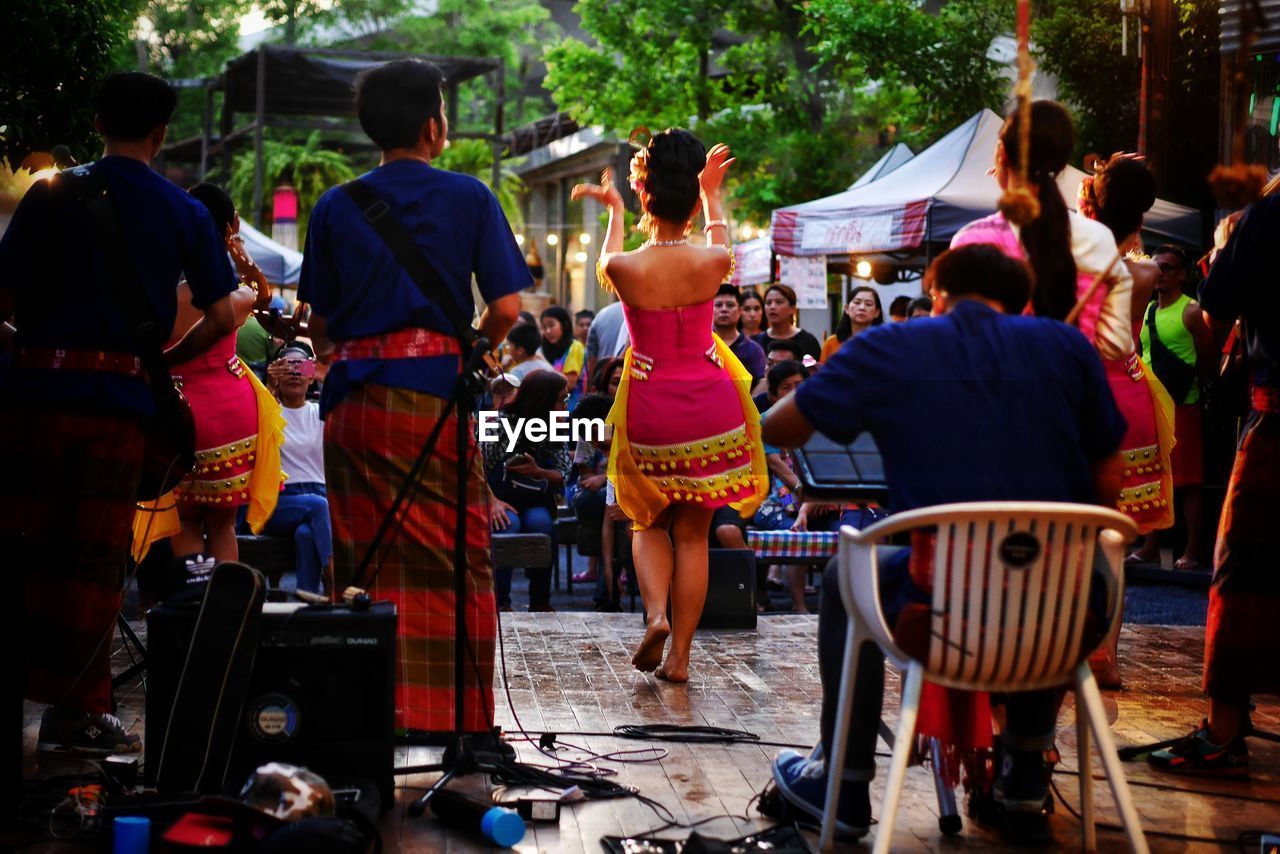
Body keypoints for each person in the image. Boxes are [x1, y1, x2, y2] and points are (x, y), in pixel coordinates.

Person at [761, 245, 1126, 843]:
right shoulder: (1065, 346)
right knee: (1042, 576)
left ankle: (845, 783)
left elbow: (780, 427)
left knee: (840, 576)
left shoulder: (893, 346)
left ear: (936, 290)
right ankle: (1023, 773)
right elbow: (1107, 479)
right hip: (1075, 613)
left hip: (940, 611)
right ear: (1016, 297)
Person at [0, 71, 238, 754]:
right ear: (161, 133)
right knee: (95, 561)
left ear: (98, 123)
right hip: (118, 407)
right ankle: (74, 716)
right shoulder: (184, 211)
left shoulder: (48, 196)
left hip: (31, 403)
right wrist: (162, 356)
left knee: (19, 548)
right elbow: (223, 313)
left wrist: (31, 351)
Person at [298, 58, 525, 734]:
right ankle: (459, 721)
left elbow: (321, 327)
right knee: (458, 558)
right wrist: (472, 349)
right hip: (436, 402)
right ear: (434, 126)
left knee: (363, 557)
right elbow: (507, 306)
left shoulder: (338, 204)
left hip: (357, 408)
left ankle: (367, 718)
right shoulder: (470, 196)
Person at [572, 129, 766, 682]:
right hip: (711, 402)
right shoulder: (713, 262)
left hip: (652, 405)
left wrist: (613, 211)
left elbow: (609, 255)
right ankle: (680, 656)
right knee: (693, 535)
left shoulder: (627, 269)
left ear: (644, 195)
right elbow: (720, 238)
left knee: (646, 522)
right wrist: (712, 194)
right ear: (689, 198)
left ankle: (654, 614)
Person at [1147, 189, 1280, 777]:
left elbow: (1214, 308)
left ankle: (1224, 731)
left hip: (1278, 418)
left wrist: (1228, 245)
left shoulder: (1269, 215)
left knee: (1242, 569)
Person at [166, 183, 284, 565]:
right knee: (221, 526)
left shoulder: (163, 292)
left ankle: (188, 605)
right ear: (232, 224)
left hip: (177, 411)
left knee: (182, 522)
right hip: (231, 414)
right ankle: (222, 614)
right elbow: (261, 294)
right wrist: (241, 252)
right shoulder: (235, 293)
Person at [1132, 245, 1215, 571]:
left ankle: (1192, 551)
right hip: (1153, 403)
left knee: (1188, 479)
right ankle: (1152, 545)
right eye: (1157, 267)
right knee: (1155, 475)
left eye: (1168, 268)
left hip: (1183, 404)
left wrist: (1198, 386)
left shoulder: (1191, 311)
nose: (1161, 274)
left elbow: (1207, 356)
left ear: (1181, 274)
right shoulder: (1149, 310)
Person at [484, 371, 573, 612]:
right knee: (506, 525)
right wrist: (492, 502)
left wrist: (538, 471)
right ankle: (500, 601)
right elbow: (477, 469)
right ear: (543, 400)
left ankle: (539, 600)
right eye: (561, 400)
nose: (565, 405)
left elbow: (563, 474)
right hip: (499, 497)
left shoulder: (555, 427)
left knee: (541, 525)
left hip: (535, 497)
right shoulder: (499, 424)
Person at [262, 344, 332, 595]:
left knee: (305, 535)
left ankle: (307, 601)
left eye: (300, 367)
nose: (294, 374)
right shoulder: (269, 411)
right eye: (286, 367)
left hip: (317, 503)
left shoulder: (319, 412)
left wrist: (328, 377)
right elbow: (257, 430)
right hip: (281, 502)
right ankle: (335, 576)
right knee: (317, 505)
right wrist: (268, 386)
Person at [712, 283, 767, 385]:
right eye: (718, 305)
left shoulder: (753, 350)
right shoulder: (705, 346)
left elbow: (761, 384)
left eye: (730, 305)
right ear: (711, 310)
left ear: (740, 311)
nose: (724, 309)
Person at [755, 284, 822, 362]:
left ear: (793, 309)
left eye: (779, 302)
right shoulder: (756, 342)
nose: (772, 307)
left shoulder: (808, 341)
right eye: (768, 303)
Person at [820, 285, 883, 362]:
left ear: (877, 312)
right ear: (847, 309)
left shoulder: (885, 345)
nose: (862, 307)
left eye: (868, 304)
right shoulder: (831, 343)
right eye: (857, 302)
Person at [539, 304, 586, 406]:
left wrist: (542, 362)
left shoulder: (575, 347)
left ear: (564, 324)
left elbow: (569, 384)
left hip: (571, 408)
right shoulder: (545, 350)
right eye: (544, 327)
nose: (547, 331)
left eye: (551, 325)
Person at [584, 299, 630, 383]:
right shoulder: (643, 314)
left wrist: (592, 386)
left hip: (603, 381)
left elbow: (591, 359)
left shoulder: (603, 314)